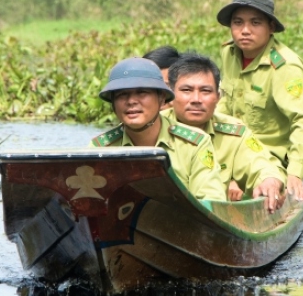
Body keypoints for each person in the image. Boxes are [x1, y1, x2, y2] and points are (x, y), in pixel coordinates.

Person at [215, 0, 303, 201]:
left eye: (255, 23)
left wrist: (295, 174)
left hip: (270, 160)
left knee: (266, 194)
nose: (245, 30)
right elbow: (223, 106)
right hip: (231, 153)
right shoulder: (229, 53)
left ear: (271, 27)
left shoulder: (285, 67)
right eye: (237, 22)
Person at [90, 58, 226, 201]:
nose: (131, 101)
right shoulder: (100, 149)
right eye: (122, 94)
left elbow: (211, 202)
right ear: (113, 103)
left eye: (142, 92)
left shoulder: (195, 143)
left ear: (161, 98)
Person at [165, 52, 286, 213]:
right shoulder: (154, 127)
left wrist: (269, 181)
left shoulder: (234, 132)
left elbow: (260, 163)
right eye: (186, 90)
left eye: (206, 91)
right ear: (170, 95)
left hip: (214, 218)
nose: (196, 99)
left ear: (218, 96)